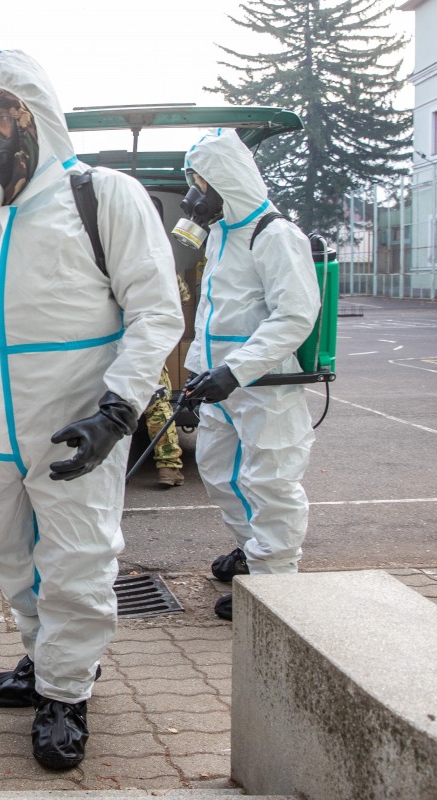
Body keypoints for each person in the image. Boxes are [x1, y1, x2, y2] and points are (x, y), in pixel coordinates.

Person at [0, 50, 183, 770]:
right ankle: (47, 657)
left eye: (3, 118)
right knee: (6, 551)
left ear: (37, 120)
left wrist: (116, 413)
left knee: (76, 561)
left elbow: (155, 313)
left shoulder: (100, 198)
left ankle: (67, 695)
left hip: (75, 425)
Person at [177, 128, 320, 621]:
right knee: (220, 475)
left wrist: (235, 372)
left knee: (270, 482)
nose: (195, 196)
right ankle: (252, 549)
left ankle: (275, 591)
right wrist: (194, 381)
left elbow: (296, 315)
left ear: (228, 180)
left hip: (264, 388)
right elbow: (212, 315)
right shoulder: (221, 234)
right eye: (192, 182)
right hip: (222, 386)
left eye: (202, 182)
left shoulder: (275, 235)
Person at [143, 273, 194, 488]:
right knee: (158, 404)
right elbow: (184, 295)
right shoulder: (155, 261)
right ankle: (168, 466)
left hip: (102, 344)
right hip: (145, 342)